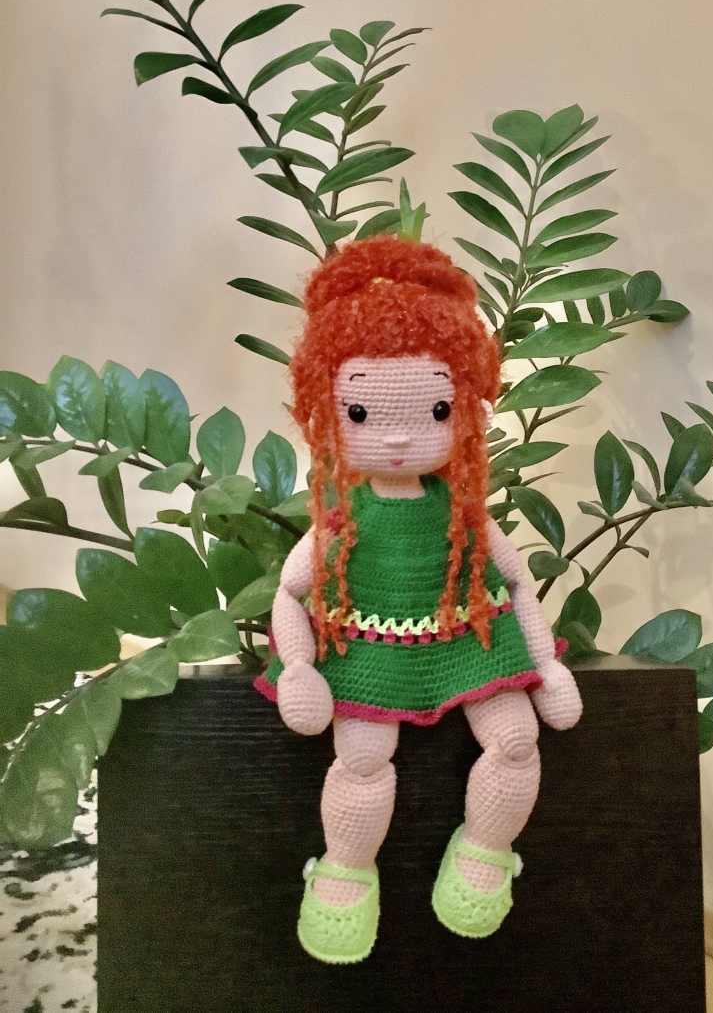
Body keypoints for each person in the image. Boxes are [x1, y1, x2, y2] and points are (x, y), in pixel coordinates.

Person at [254, 235, 582, 964]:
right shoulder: (342, 519)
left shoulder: (464, 516)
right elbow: (291, 590)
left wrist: (547, 666)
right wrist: (299, 666)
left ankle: (485, 849)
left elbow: (516, 582)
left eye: (435, 407)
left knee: (517, 740)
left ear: (464, 405)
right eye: (361, 413)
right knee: (362, 758)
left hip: (468, 642)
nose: (400, 437)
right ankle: (346, 869)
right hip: (369, 651)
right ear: (325, 409)